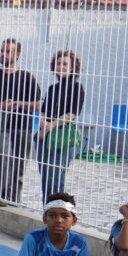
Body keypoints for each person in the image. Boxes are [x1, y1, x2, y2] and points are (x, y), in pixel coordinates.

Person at [0, 37, 42, 206]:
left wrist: (20, 104)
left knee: (20, 160)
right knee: (4, 154)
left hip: (22, 126)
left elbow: (38, 105)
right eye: (2, 50)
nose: (3, 54)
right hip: (0, 125)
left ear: (17, 54)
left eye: (8, 51)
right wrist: (0, 106)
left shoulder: (27, 77)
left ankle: (15, 196)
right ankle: (3, 193)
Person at [36, 49, 85, 199]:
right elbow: (43, 111)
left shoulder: (77, 87)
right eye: (58, 63)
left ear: (72, 68)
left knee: (56, 176)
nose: (60, 67)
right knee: (45, 174)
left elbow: (73, 113)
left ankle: (56, 207)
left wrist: (54, 124)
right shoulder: (52, 88)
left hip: (63, 136)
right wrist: (44, 126)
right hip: (46, 134)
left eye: (64, 64)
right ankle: (47, 209)